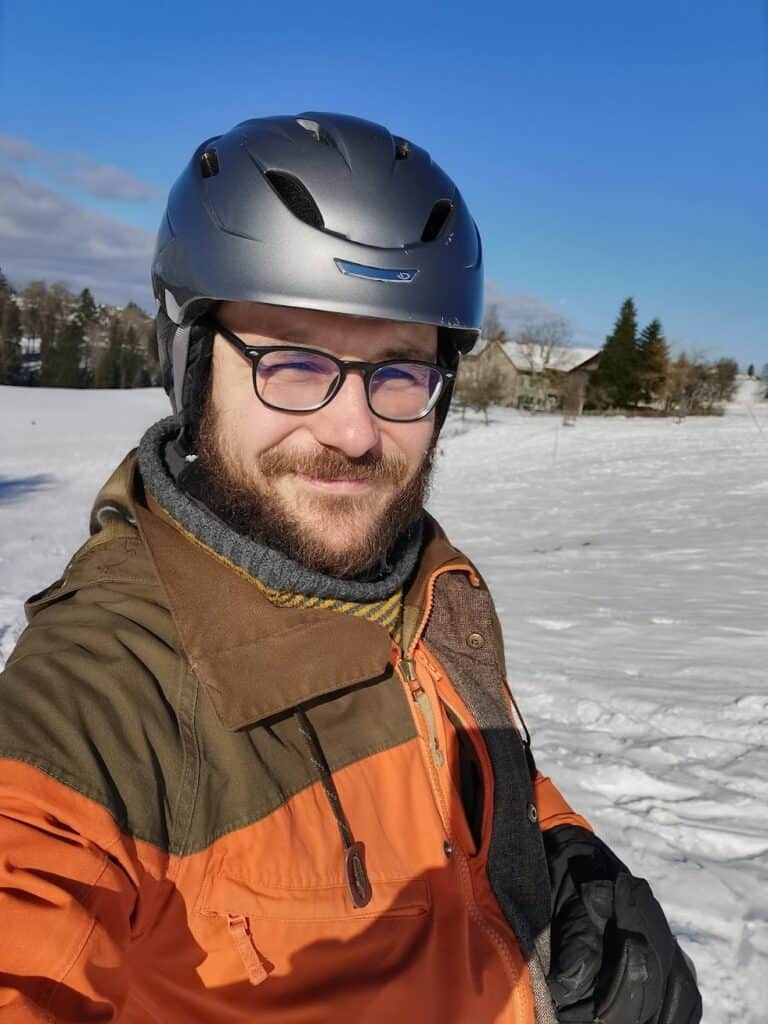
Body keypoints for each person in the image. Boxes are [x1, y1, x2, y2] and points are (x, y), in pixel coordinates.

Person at [0, 112, 701, 1023]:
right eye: (292, 363)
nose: (355, 432)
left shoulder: (426, 588)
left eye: (399, 373)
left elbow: (472, 782)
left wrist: (563, 865)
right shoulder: (102, 688)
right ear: (191, 365)